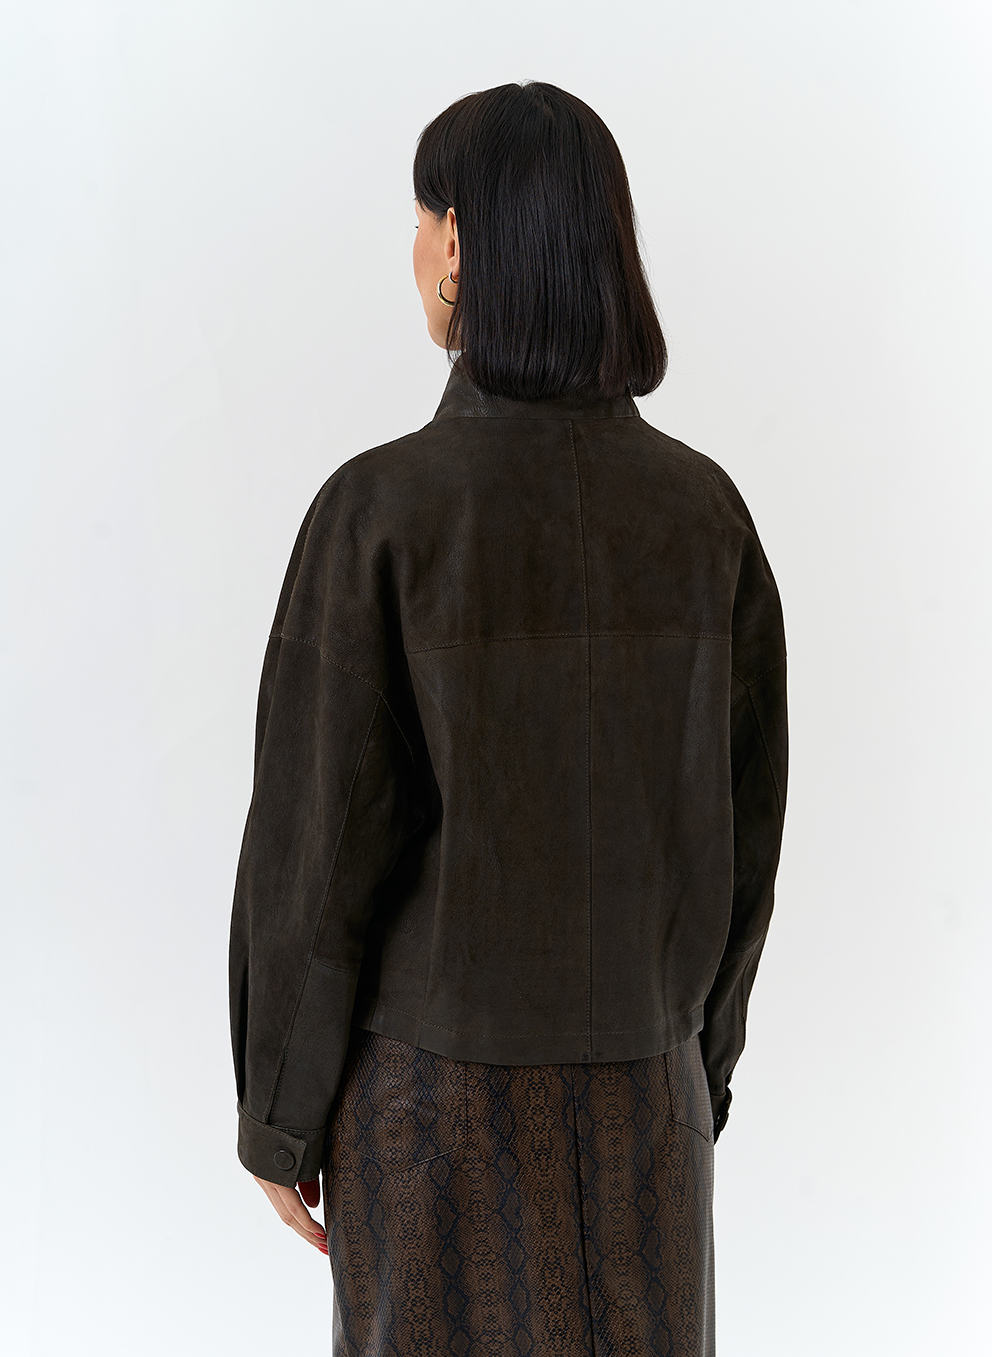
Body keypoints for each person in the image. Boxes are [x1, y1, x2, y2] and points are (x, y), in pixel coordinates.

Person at [228, 79, 788, 1357]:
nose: (412, 247)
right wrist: (696, 1063)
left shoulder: (379, 513)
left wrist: (279, 1112)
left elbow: (316, 854)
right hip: (646, 1102)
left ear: (459, 246)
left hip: (427, 1118)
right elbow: (743, 838)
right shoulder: (705, 517)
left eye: (420, 217)